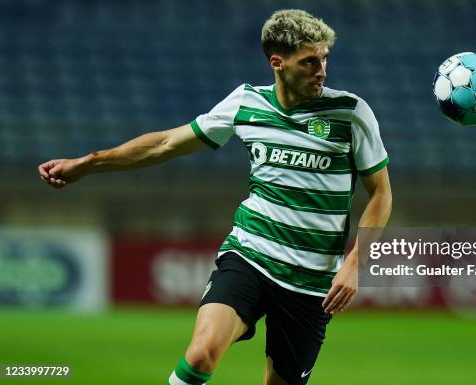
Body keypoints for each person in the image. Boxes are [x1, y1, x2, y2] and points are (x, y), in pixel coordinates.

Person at [38, 9, 392, 385]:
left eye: (324, 58)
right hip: (251, 255)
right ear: (278, 62)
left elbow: (381, 195)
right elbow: (164, 143)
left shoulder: (351, 114)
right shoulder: (247, 103)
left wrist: (355, 265)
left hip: (311, 282)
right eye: (309, 61)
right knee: (202, 354)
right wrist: (88, 163)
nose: (321, 69)